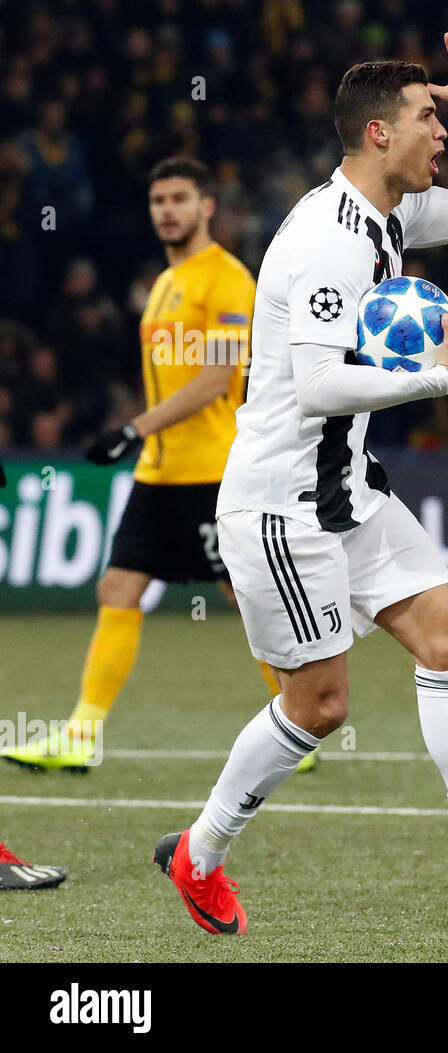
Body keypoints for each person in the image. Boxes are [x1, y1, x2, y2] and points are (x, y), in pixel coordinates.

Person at [152, 36, 448, 934]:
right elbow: (318, 386)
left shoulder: (384, 213)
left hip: (347, 485)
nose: (439, 132)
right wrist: (434, 379)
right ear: (375, 131)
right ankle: (199, 856)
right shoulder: (327, 237)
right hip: (285, 504)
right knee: (319, 705)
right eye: (428, 118)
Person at [0, 157, 309, 773]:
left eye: (179, 198)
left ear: (207, 206)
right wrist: (142, 440)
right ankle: (81, 734)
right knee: (118, 589)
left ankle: (297, 721)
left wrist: (132, 428)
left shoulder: (225, 279)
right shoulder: (164, 283)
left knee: (245, 596)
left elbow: (219, 378)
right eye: (158, 200)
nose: (167, 210)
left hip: (213, 471)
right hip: (159, 472)